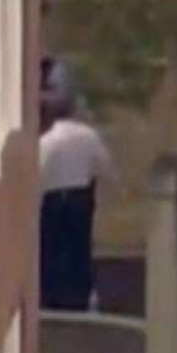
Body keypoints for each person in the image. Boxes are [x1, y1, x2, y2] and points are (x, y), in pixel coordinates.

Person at [37, 95, 111, 312]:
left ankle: (52, 296)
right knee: (79, 247)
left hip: (53, 199)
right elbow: (104, 166)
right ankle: (78, 295)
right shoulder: (89, 136)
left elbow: (38, 175)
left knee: (51, 248)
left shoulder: (47, 141)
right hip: (81, 196)